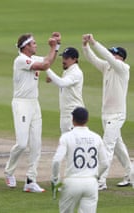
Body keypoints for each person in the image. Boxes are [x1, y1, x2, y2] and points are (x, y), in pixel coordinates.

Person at [4, 32, 61, 192]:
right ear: (26, 47)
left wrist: (56, 46)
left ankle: (31, 180)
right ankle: (9, 172)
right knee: (22, 143)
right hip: (21, 103)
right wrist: (52, 47)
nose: (36, 45)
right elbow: (44, 65)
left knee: (36, 144)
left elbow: (47, 61)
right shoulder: (21, 60)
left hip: (34, 104)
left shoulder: (32, 58)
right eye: (34, 43)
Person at [82, 34, 133, 190]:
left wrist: (94, 42)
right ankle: (131, 175)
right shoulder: (107, 67)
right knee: (118, 146)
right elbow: (93, 59)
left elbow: (105, 56)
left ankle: (101, 181)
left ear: (120, 57)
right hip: (106, 114)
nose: (111, 55)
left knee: (107, 146)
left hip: (117, 115)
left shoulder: (123, 69)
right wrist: (86, 46)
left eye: (114, 54)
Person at [51, 107, 108, 213]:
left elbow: (56, 161)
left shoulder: (67, 137)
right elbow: (105, 164)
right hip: (91, 183)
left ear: (73, 119)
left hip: (72, 182)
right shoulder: (96, 137)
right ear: (87, 120)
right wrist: (96, 177)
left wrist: (55, 179)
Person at [46, 47, 85, 134]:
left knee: (72, 143)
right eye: (63, 57)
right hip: (66, 113)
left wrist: (46, 68)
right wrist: (53, 81)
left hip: (73, 113)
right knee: (67, 142)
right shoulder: (68, 71)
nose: (63, 60)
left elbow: (62, 83)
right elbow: (65, 87)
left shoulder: (76, 72)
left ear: (74, 59)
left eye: (66, 58)